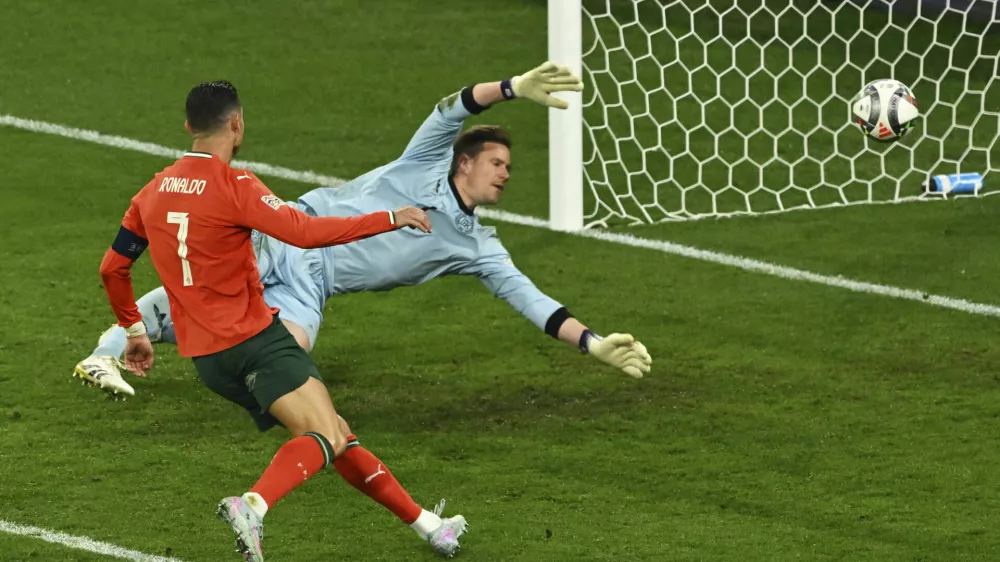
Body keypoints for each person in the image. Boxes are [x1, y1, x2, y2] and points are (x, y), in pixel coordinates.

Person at [97, 80, 466, 562]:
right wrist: (389, 218)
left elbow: (113, 268)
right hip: (257, 342)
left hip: (207, 361)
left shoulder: (149, 194)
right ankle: (253, 505)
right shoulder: (236, 186)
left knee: (336, 432)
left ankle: (429, 527)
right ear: (237, 123)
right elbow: (304, 232)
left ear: (189, 127)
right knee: (324, 435)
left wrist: (135, 331)